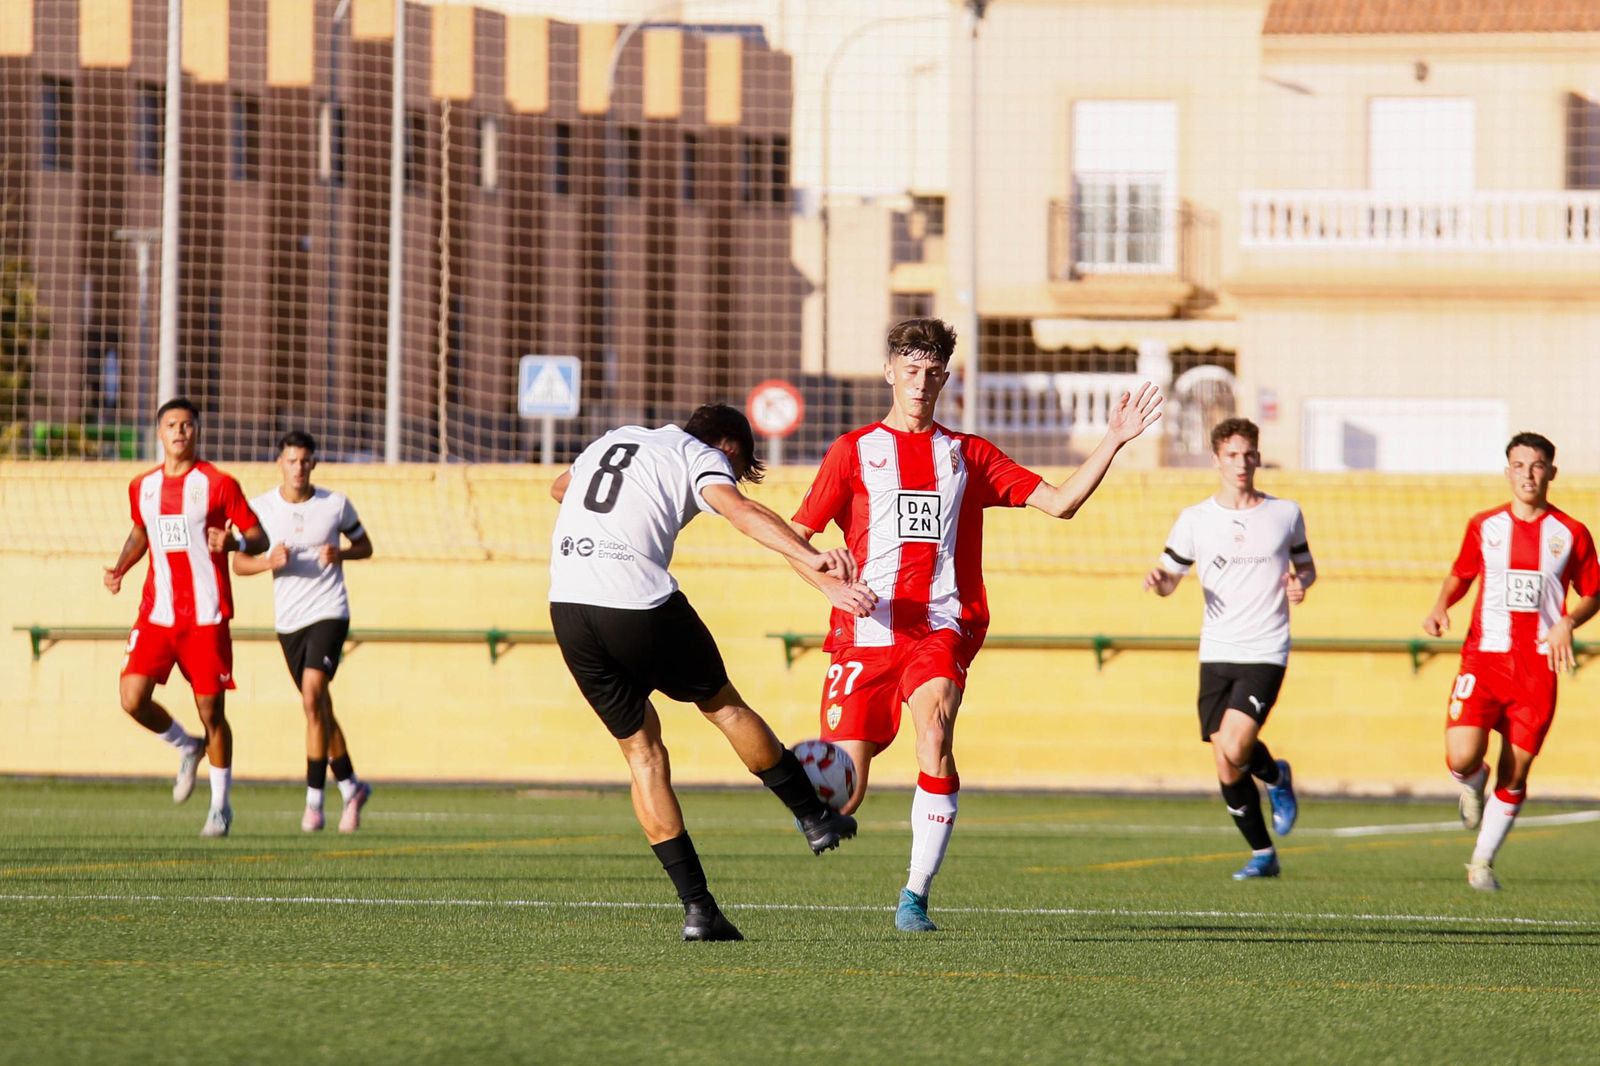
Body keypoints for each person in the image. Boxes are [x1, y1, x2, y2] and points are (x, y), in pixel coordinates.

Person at [788, 318, 1163, 933]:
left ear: (945, 378)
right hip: (865, 633)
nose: (921, 382)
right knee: (845, 792)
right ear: (889, 372)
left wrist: (1114, 439)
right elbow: (797, 541)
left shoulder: (969, 455)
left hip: (942, 625)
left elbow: (1062, 503)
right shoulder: (852, 451)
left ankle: (914, 896)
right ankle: (811, 796)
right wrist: (830, 582)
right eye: (910, 369)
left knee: (935, 729)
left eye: (932, 372)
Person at [548, 403, 876, 942]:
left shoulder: (618, 437)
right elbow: (741, 511)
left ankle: (699, 911)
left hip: (569, 607)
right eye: (738, 463)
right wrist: (808, 555)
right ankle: (814, 817)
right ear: (728, 446)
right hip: (637, 601)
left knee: (642, 755)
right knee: (722, 706)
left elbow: (562, 488)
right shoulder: (697, 454)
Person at [1422, 432, 1599, 891]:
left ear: (1551, 473)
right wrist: (1442, 605)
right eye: (1519, 466)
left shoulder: (1571, 533)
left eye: (1537, 465)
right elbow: (1461, 574)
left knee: (1516, 771)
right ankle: (1471, 778)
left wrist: (1567, 623)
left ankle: (1481, 861)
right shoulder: (1485, 526)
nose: (1528, 474)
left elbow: (1594, 592)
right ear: (1507, 472)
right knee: (1462, 755)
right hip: (1483, 661)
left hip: (1537, 670)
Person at [1143, 418, 1315, 880]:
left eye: (1249, 454)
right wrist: (1160, 582)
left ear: (1258, 456)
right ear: (1216, 458)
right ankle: (1263, 853)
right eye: (1232, 455)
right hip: (1216, 651)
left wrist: (1301, 586)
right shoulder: (1195, 519)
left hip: (1266, 648)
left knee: (1237, 745)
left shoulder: (1285, 514)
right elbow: (1168, 578)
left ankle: (1277, 776)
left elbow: (1306, 569)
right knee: (1224, 758)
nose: (1241, 463)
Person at [103, 398, 267, 837]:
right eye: (172, 425)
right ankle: (185, 746)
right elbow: (142, 530)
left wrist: (232, 544)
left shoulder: (218, 484)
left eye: (187, 425)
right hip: (157, 614)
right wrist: (120, 568)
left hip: (206, 618)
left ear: (197, 431)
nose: (180, 431)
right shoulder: (142, 486)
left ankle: (220, 806)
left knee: (212, 712)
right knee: (131, 698)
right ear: (160, 432)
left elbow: (258, 535)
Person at [234, 431, 374, 833]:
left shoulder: (335, 504)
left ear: (314, 464)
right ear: (280, 462)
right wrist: (267, 562)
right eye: (291, 461)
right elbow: (239, 563)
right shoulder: (261, 508)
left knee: (312, 696)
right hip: (289, 622)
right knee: (319, 708)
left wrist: (342, 553)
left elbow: (366, 546)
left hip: (330, 612)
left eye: (305, 461)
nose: (298, 468)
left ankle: (314, 803)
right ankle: (351, 785)